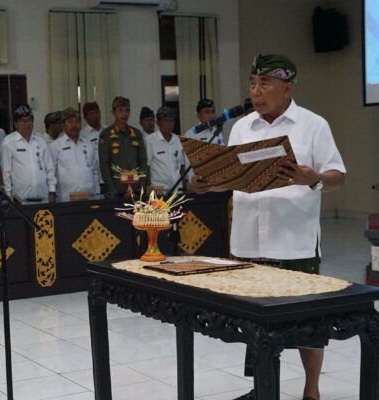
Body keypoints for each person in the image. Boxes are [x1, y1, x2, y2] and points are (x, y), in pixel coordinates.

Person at [192, 54, 346, 400]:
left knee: (309, 324)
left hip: (295, 242)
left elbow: (338, 176)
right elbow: (230, 179)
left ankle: (311, 391)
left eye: (265, 84)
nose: (256, 91)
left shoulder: (313, 125)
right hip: (248, 243)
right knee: (256, 326)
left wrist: (314, 179)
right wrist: (207, 184)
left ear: (287, 88)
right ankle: (264, 389)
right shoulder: (242, 127)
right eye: (252, 83)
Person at [1, 105, 56, 202]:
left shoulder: (41, 140)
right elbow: (6, 172)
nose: (27, 124)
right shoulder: (8, 142)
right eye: (23, 121)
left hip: (43, 197)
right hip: (20, 199)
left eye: (29, 120)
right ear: (15, 124)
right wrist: (8, 194)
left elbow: (50, 168)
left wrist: (52, 190)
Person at [99, 96, 148, 198]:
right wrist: (112, 189)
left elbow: (143, 161)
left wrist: (141, 185)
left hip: (135, 189)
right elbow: (104, 165)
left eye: (127, 110)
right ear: (113, 112)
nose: (124, 114)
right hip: (117, 190)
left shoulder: (136, 134)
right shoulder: (106, 135)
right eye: (120, 110)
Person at [49, 107, 99, 201]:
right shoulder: (55, 146)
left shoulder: (88, 145)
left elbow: (95, 171)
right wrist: (52, 193)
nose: (74, 125)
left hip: (90, 197)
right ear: (63, 125)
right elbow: (52, 173)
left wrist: (97, 193)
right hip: (66, 199)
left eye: (77, 121)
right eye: (70, 122)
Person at [145, 106, 189, 193]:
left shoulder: (179, 140)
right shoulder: (149, 141)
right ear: (158, 122)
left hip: (178, 190)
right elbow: (147, 168)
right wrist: (149, 193)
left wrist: (184, 187)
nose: (169, 124)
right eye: (165, 121)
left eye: (171, 121)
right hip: (158, 191)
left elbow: (182, 167)